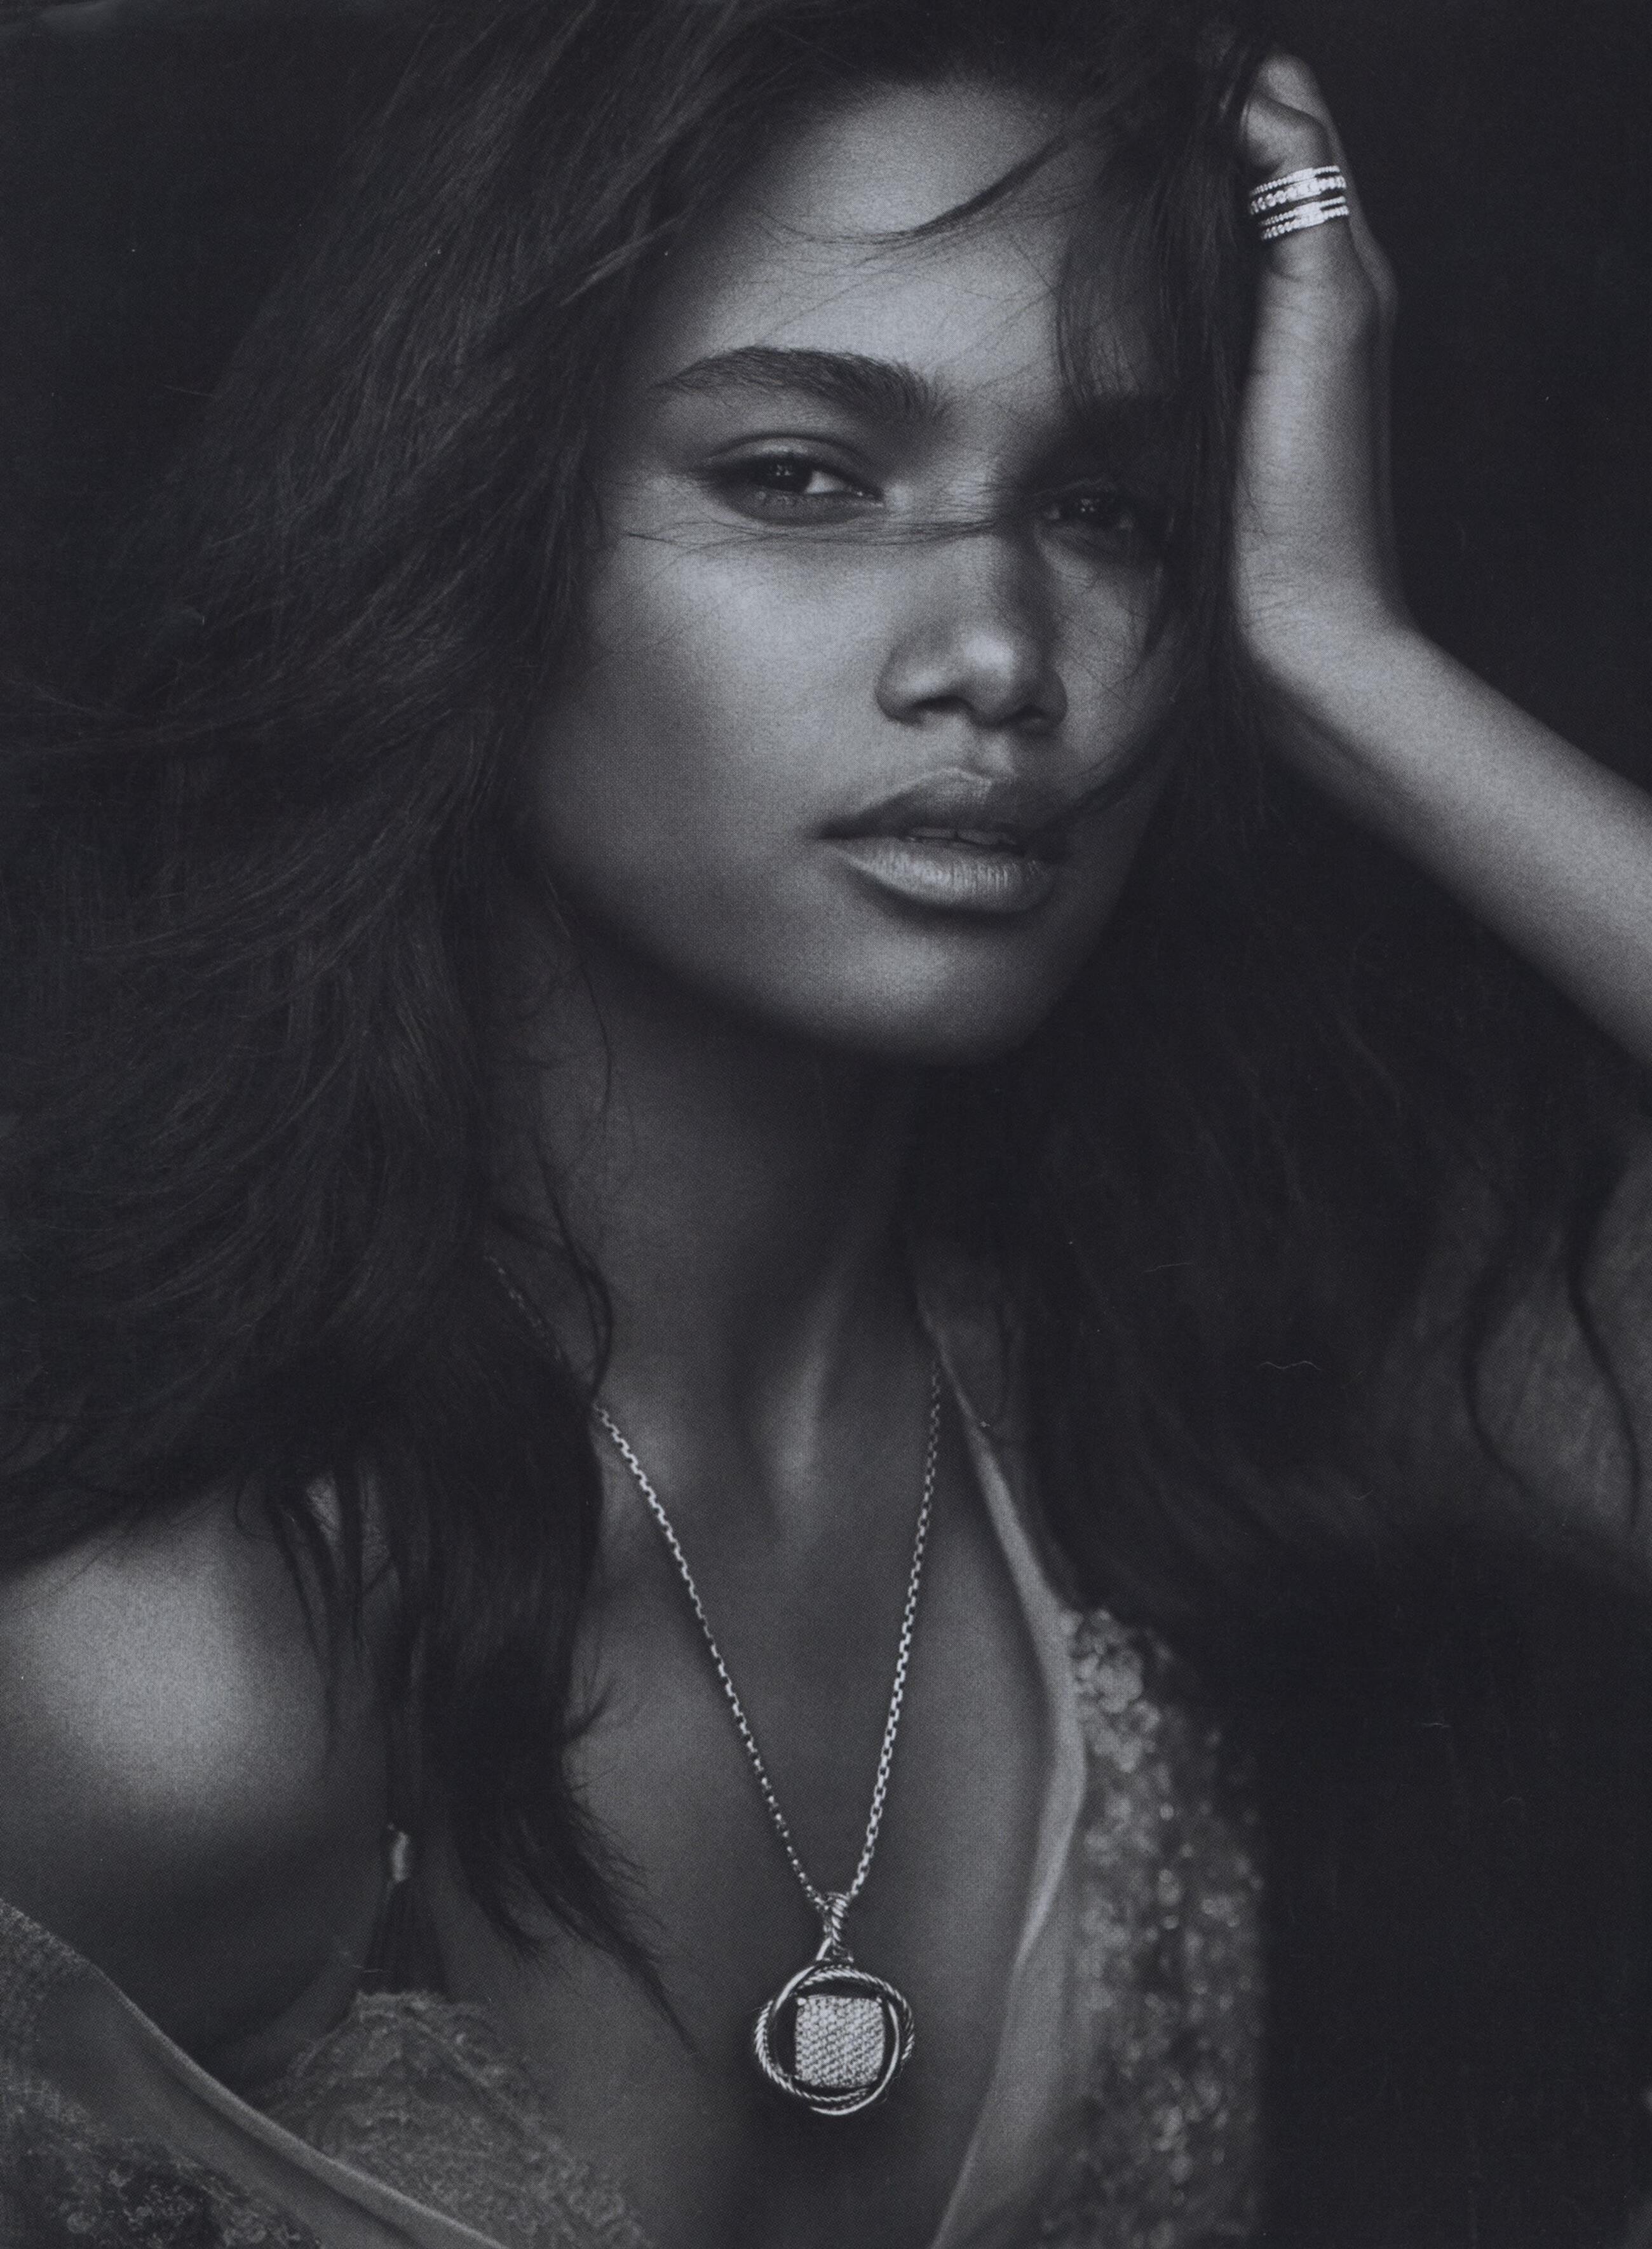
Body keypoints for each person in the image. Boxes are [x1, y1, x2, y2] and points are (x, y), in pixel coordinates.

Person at [1, 1, 1649, 2243]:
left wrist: (1362, 670)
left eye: (1109, 510)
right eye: (798, 477)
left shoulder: (1173, 1394)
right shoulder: (183, 1674)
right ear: (475, 520)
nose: (998, 649)